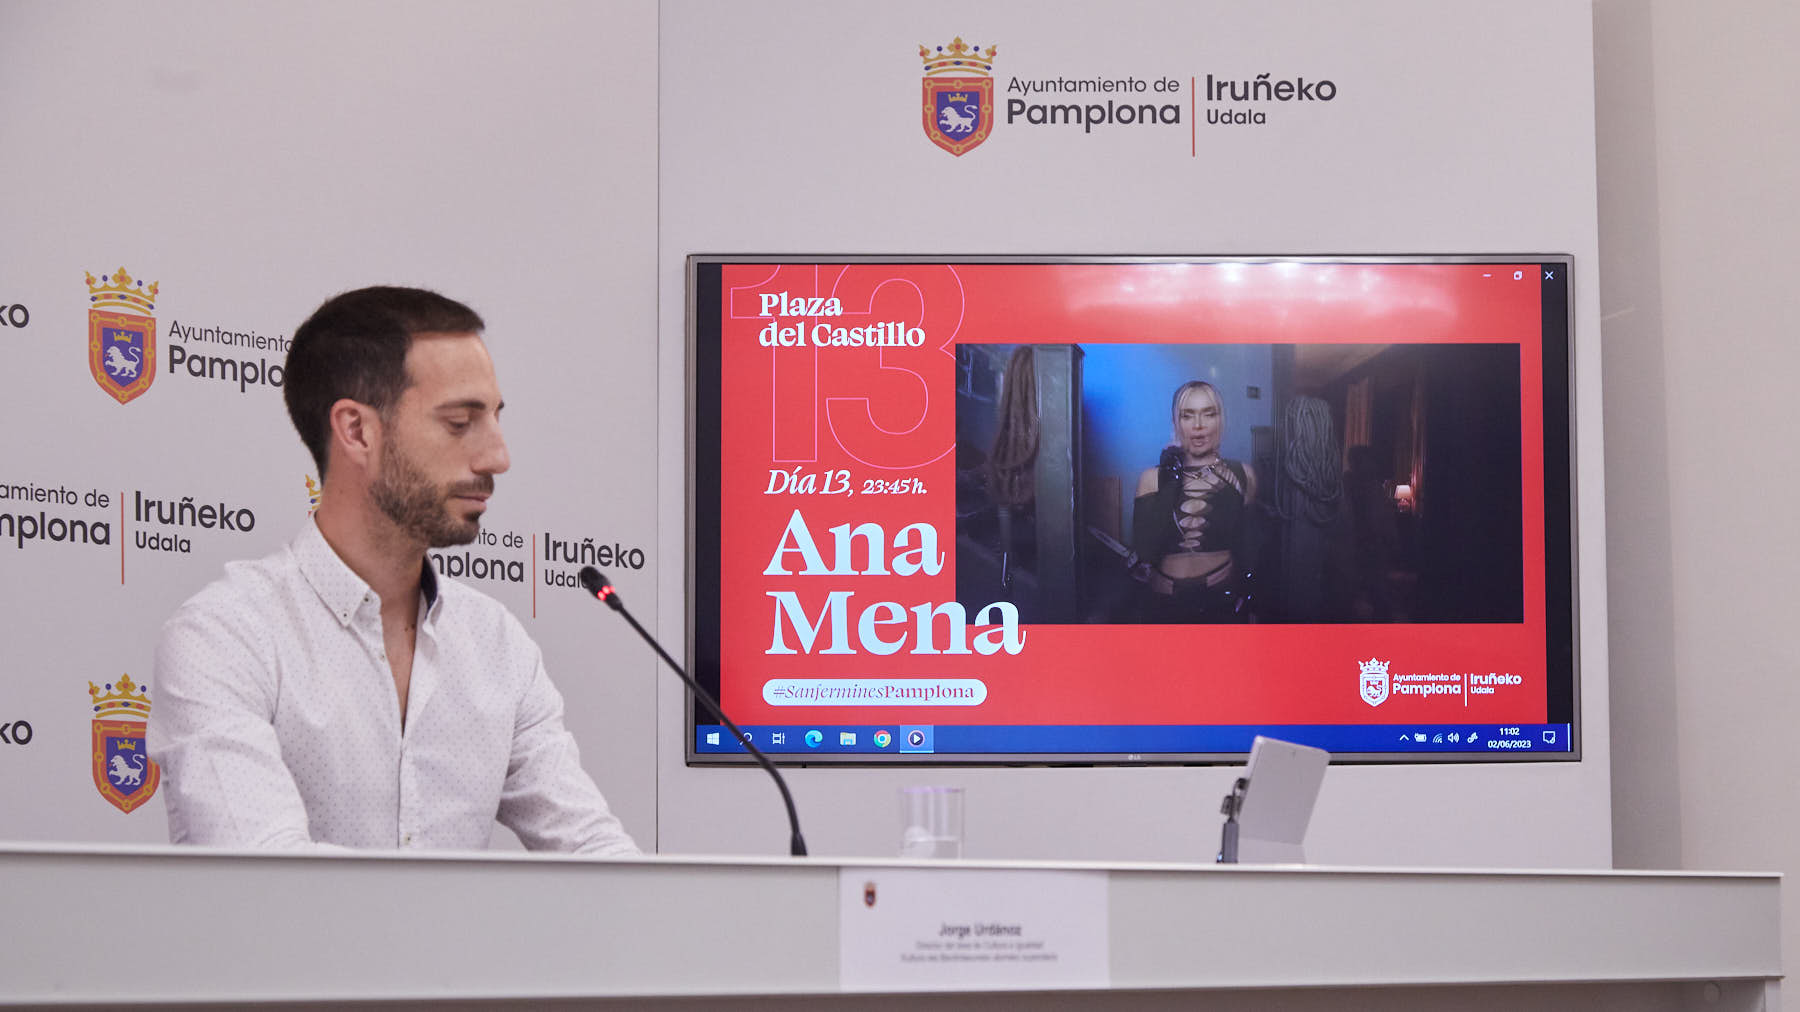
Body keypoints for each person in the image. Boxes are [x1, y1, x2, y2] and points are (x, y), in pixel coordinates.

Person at [149, 286, 638, 853]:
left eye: (495, 419)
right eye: (460, 423)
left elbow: (597, 857)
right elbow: (266, 880)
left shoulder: (497, 643)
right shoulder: (225, 635)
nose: (498, 457)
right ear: (357, 431)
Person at [1131, 380, 1258, 621]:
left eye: (1208, 414)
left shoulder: (1244, 475)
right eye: (1188, 416)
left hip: (1223, 601)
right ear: (1176, 424)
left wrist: (1251, 606)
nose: (1199, 426)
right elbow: (1145, 551)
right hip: (1165, 605)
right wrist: (1171, 474)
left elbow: (1250, 553)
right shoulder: (1152, 479)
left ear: (1220, 420)